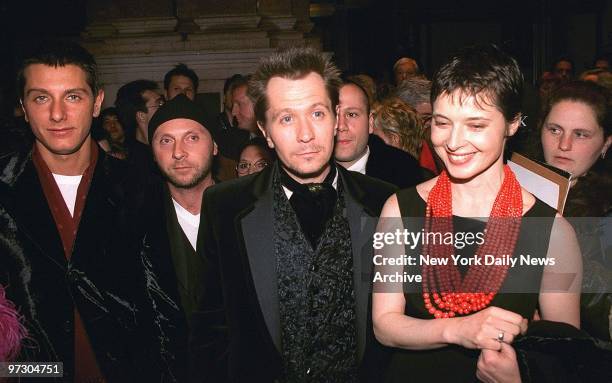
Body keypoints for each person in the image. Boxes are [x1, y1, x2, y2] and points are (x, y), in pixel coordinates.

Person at [372, 44, 582, 382]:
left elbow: (565, 351)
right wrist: (458, 329)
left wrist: (522, 375)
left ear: (513, 124)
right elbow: (385, 325)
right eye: (442, 122)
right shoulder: (400, 208)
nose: (453, 142)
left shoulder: (552, 231)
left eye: (476, 125)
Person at [193, 47, 397, 382]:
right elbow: (210, 331)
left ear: (335, 118)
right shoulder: (224, 206)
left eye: (317, 114)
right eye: (286, 118)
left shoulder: (384, 202)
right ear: (266, 132)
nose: (305, 134)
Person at [0, 40, 179, 381]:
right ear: (23, 106)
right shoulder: (3, 186)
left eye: (73, 97)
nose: (57, 114)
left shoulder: (142, 187)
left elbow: (165, 306)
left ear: (97, 103)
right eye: (41, 98)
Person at [540, 80, 612, 340]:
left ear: (605, 144)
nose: (564, 145)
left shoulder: (606, 212)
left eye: (581, 134)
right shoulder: (513, 185)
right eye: (555, 129)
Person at [335, 79, 428, 188]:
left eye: (352, 114)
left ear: (370, 124)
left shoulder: (403, 175)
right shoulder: (311, 173)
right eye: (333, 115)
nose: (341, 126)